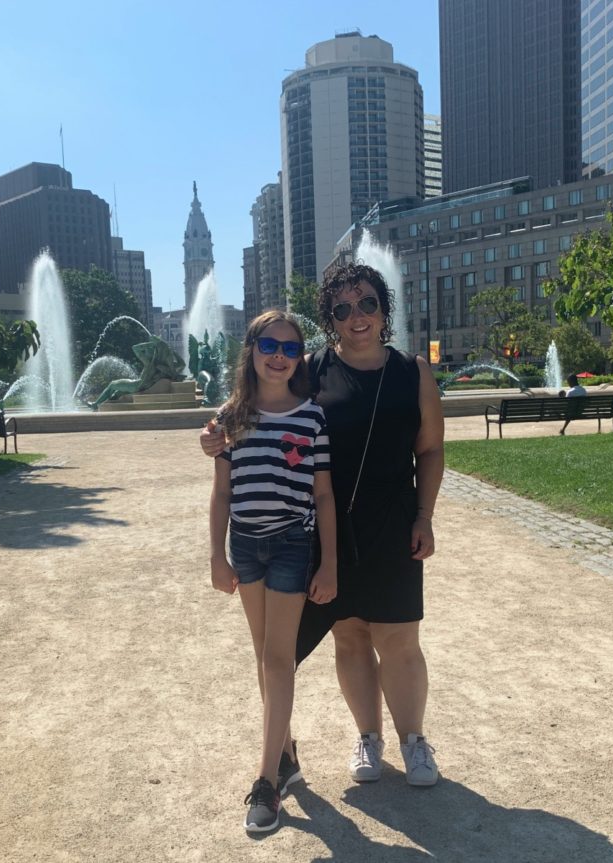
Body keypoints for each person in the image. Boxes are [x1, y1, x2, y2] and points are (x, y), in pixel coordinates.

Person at [202, 263, 445, 790]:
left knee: (399, 638)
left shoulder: (413, 371)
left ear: (384, 309)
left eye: (367, 304)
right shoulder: (311, 368)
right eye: (343, 308)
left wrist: (425, 516)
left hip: (393, 521)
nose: (357, 316)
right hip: (326, 529)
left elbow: (429, 450)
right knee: (350, 635)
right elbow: (255, 405)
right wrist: (215, 435)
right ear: (330, 319)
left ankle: (414, 740)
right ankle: (368, 737)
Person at [209, 309, 337, 833]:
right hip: (245, 544)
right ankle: (285, 755)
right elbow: (222, 493)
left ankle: (266, 781)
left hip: (290, 544)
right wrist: (216, 555)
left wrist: (329, 563)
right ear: (252, 351)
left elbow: (323, 496)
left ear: (299, 357)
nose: (280, 357)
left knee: (279, 658)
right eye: (269, 346)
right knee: (263, 655)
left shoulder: (312, 417)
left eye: (290, 348)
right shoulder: (229, 418)